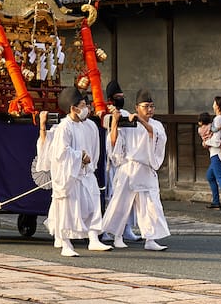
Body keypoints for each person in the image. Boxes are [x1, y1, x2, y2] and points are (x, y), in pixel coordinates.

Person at [41, 86, 111, 257]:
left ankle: (93, 238)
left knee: (93, 204)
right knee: (68, 209)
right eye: (83, 105)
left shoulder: (91, 126)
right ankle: (66, 243)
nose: (87, 108)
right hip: (69, 175)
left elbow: (95, 149)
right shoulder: (64, 127)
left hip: (86, 173)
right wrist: (80, 156)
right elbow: (60, 153)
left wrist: (89, 163)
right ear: (73, 108)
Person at [100, 89, 170, 251]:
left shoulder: (156, 125)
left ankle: (150, 239)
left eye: (152, 106)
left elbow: (156, 136)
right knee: (120, 204)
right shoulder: (128, 123)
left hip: (145, 169)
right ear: (137, 107)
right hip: (129, 168)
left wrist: (141, 121)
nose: (149, 110)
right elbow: (114, 142)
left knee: (151, 205)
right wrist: (116, 122)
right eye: (146, 106)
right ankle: (117, 236)